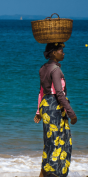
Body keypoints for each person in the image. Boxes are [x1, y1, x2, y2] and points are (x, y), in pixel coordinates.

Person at [34, 42, 77, 177]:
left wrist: (38, 111)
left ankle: (45, 172)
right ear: (53, 53)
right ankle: (56, 174)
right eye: (60, 50)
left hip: (46, 107)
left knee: (49, 141)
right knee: (60, 141)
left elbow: (41, 92)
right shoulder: (56, 70)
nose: (63, 53)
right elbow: (59, 93)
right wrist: (71, 113)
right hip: (55, 107)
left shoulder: (43, 68)